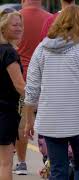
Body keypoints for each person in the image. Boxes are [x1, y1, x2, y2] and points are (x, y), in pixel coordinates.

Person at [24, 5, 79, 180]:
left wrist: (29, 120)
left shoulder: (42, 49)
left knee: (58, 169)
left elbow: (31, 89)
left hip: (50, 120)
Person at [12, 0, 51, 175]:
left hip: (19, 78)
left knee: (22, 123)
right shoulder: (51, 20)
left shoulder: (15, 19)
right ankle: (50, 161)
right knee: (48, 124)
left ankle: (21, 162)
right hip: (46, 79)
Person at [0, 8, 24, 180]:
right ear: (3, 27)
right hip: (5, 111)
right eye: (14, 25)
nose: (19, 28)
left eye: (20, 25)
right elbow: (20, 86)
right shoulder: (8, 52)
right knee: (5, 163)